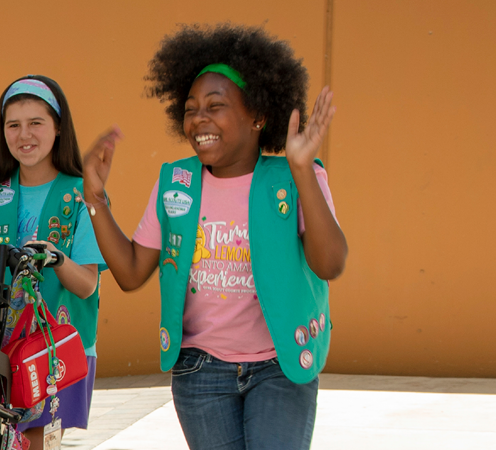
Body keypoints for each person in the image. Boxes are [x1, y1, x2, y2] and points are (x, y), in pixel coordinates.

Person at [79, 24, 347, 450]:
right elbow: (130, 273)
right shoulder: (176, 183)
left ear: (258, 116)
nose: (199, 118)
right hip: (200, 373)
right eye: (190, 108)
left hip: (280, 367)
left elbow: (330, 263)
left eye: (215, 105)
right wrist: (95, 198)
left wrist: (302, 171)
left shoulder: (295, 179)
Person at [0, 75, 106, 448]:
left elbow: (87, 283)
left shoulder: (81, 195)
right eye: (13, 125)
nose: (24, 134)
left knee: (37, 443)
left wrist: (55, 258)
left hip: (53, 350)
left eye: (36, 123)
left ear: (58, 128)